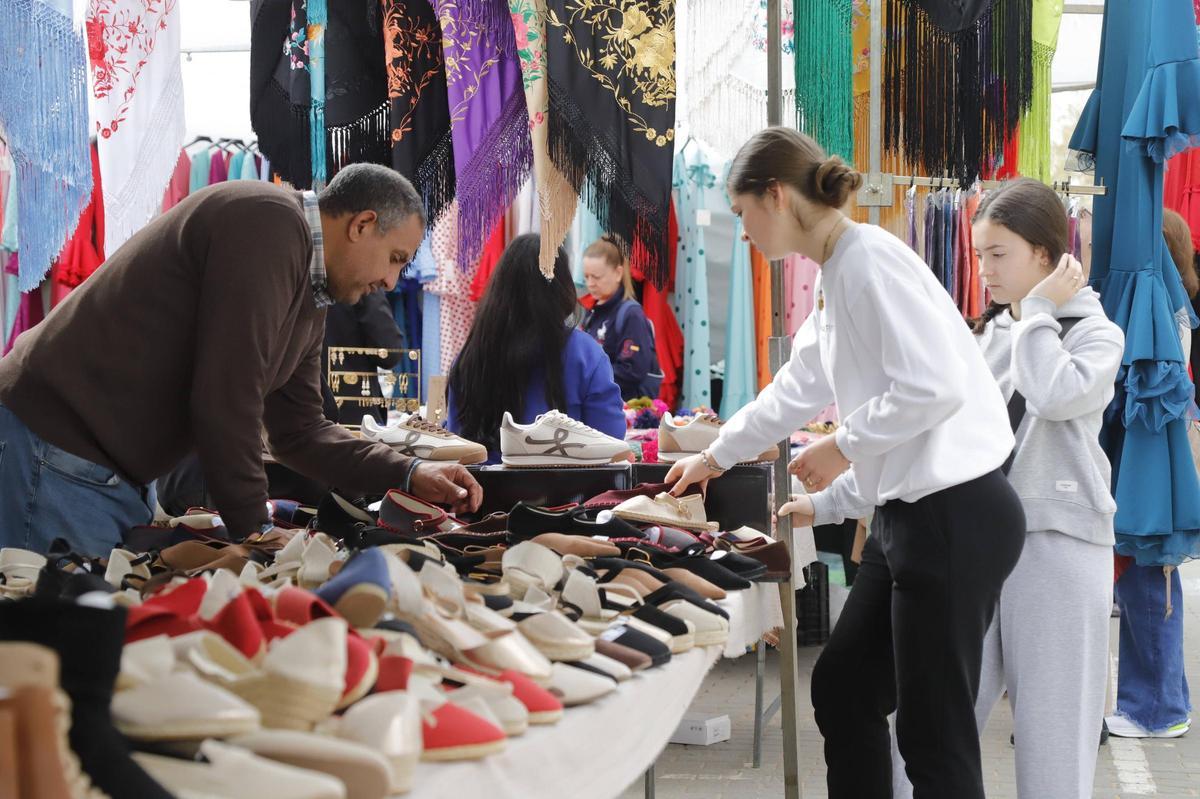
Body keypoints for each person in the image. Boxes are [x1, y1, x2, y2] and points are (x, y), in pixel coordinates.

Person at [666, 127, 1026, 799]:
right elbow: (797, 386)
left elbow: (935, 386)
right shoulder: (840, 268)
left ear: (776, 195)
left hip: (953, 516)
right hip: (912, 518)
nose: (742, 231)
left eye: (742, 212)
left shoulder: (866, 262)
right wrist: (715, 455)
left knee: (934, 738)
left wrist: (842, 444)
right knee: (843, 688)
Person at [0, 164, 481, 556]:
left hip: (95, 465)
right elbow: (226, 397)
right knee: (51, 633)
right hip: (54, 447)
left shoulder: (310, 292)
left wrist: (409, 473)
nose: (392, 282)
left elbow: (299, 431)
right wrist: (254, 528)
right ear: (362, 225)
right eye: (395, 258)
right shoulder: (269, 223)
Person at [889, 178, 1124, 798]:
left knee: (1053, 747)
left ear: (1045, 254)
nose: (984, 269)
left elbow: (1052, 394)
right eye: (979, 254)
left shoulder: (1095, 333)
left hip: (1059, 545)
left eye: (998, 254)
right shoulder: (984, 335)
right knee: (932, 729)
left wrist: (1039, 315)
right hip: (975, 543)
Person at [447, 233, 625, 463]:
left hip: (481, 485)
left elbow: (457, 447)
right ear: (562, 286)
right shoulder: (586, 355)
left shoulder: (470, 358)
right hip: (568, 485)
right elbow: (611, 444)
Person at [580, 234, 662, 400]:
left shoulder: (631, 315)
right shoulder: (592, 312)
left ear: (618, 273)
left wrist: (588, 380)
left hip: (623, 407)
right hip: (598, 401)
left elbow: (631, 371)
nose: (590, 284)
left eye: (596, 277)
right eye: (586, 277)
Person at [322, 289, 406, 426]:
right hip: (355, 413)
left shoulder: (299, 280)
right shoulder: (364, 284)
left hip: (304, 409)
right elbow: (389, 351)